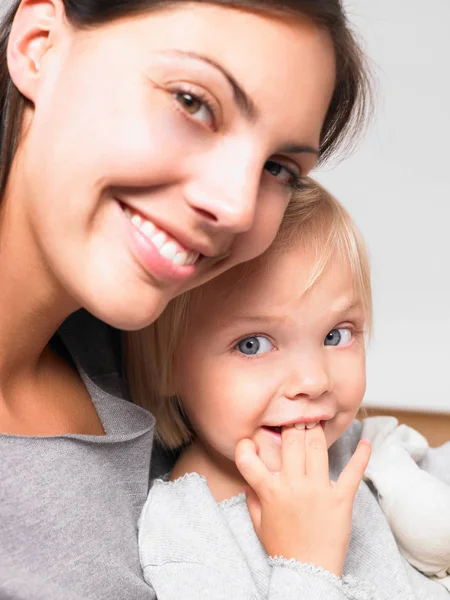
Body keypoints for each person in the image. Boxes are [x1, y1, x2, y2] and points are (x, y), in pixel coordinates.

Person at [0, 0, 371, 598]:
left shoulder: (138, 331)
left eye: (278, 168)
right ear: (39, 43)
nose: (237, 208)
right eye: (192, 102)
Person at [134, 180, 450, 599]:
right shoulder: (185, 532)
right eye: (253, 344)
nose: (313, 380)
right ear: (164, 367)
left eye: (336, 335)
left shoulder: (358, 446)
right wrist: (306, 564)